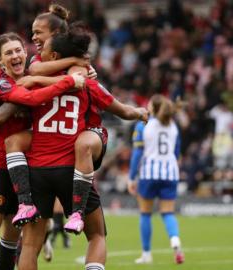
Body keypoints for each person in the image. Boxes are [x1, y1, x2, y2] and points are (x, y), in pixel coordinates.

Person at [17, 25, 147, 270]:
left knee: (31, 246)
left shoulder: (35, 83)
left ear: (55, 56)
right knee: (96, 236)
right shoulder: (87, 82)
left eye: (43, 48)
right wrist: (140, 112)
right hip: (72, 170)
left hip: (37, 170)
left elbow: (26, 84)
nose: (39, 51)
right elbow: (123, 110)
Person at [0, 32, 85, 270]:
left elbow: (42, 79)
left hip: (21, 165)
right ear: (0, 61)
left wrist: (76, 65)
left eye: (18, 50)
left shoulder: (32, 77)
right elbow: (28, 98)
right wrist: (69, 82)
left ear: (26, 53)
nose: (15, 55)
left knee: (10, 237)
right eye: (8, 53)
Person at [127, 95, 185, 265]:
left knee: (145, 213)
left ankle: (146, 254)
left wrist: (131, 177)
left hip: (149, 173)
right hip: (170, 173)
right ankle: (174, 240)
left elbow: (137, 154)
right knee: (168, 212)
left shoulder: (143, 125)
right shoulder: (173, 126)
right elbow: (176, 153)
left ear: (153, 108)